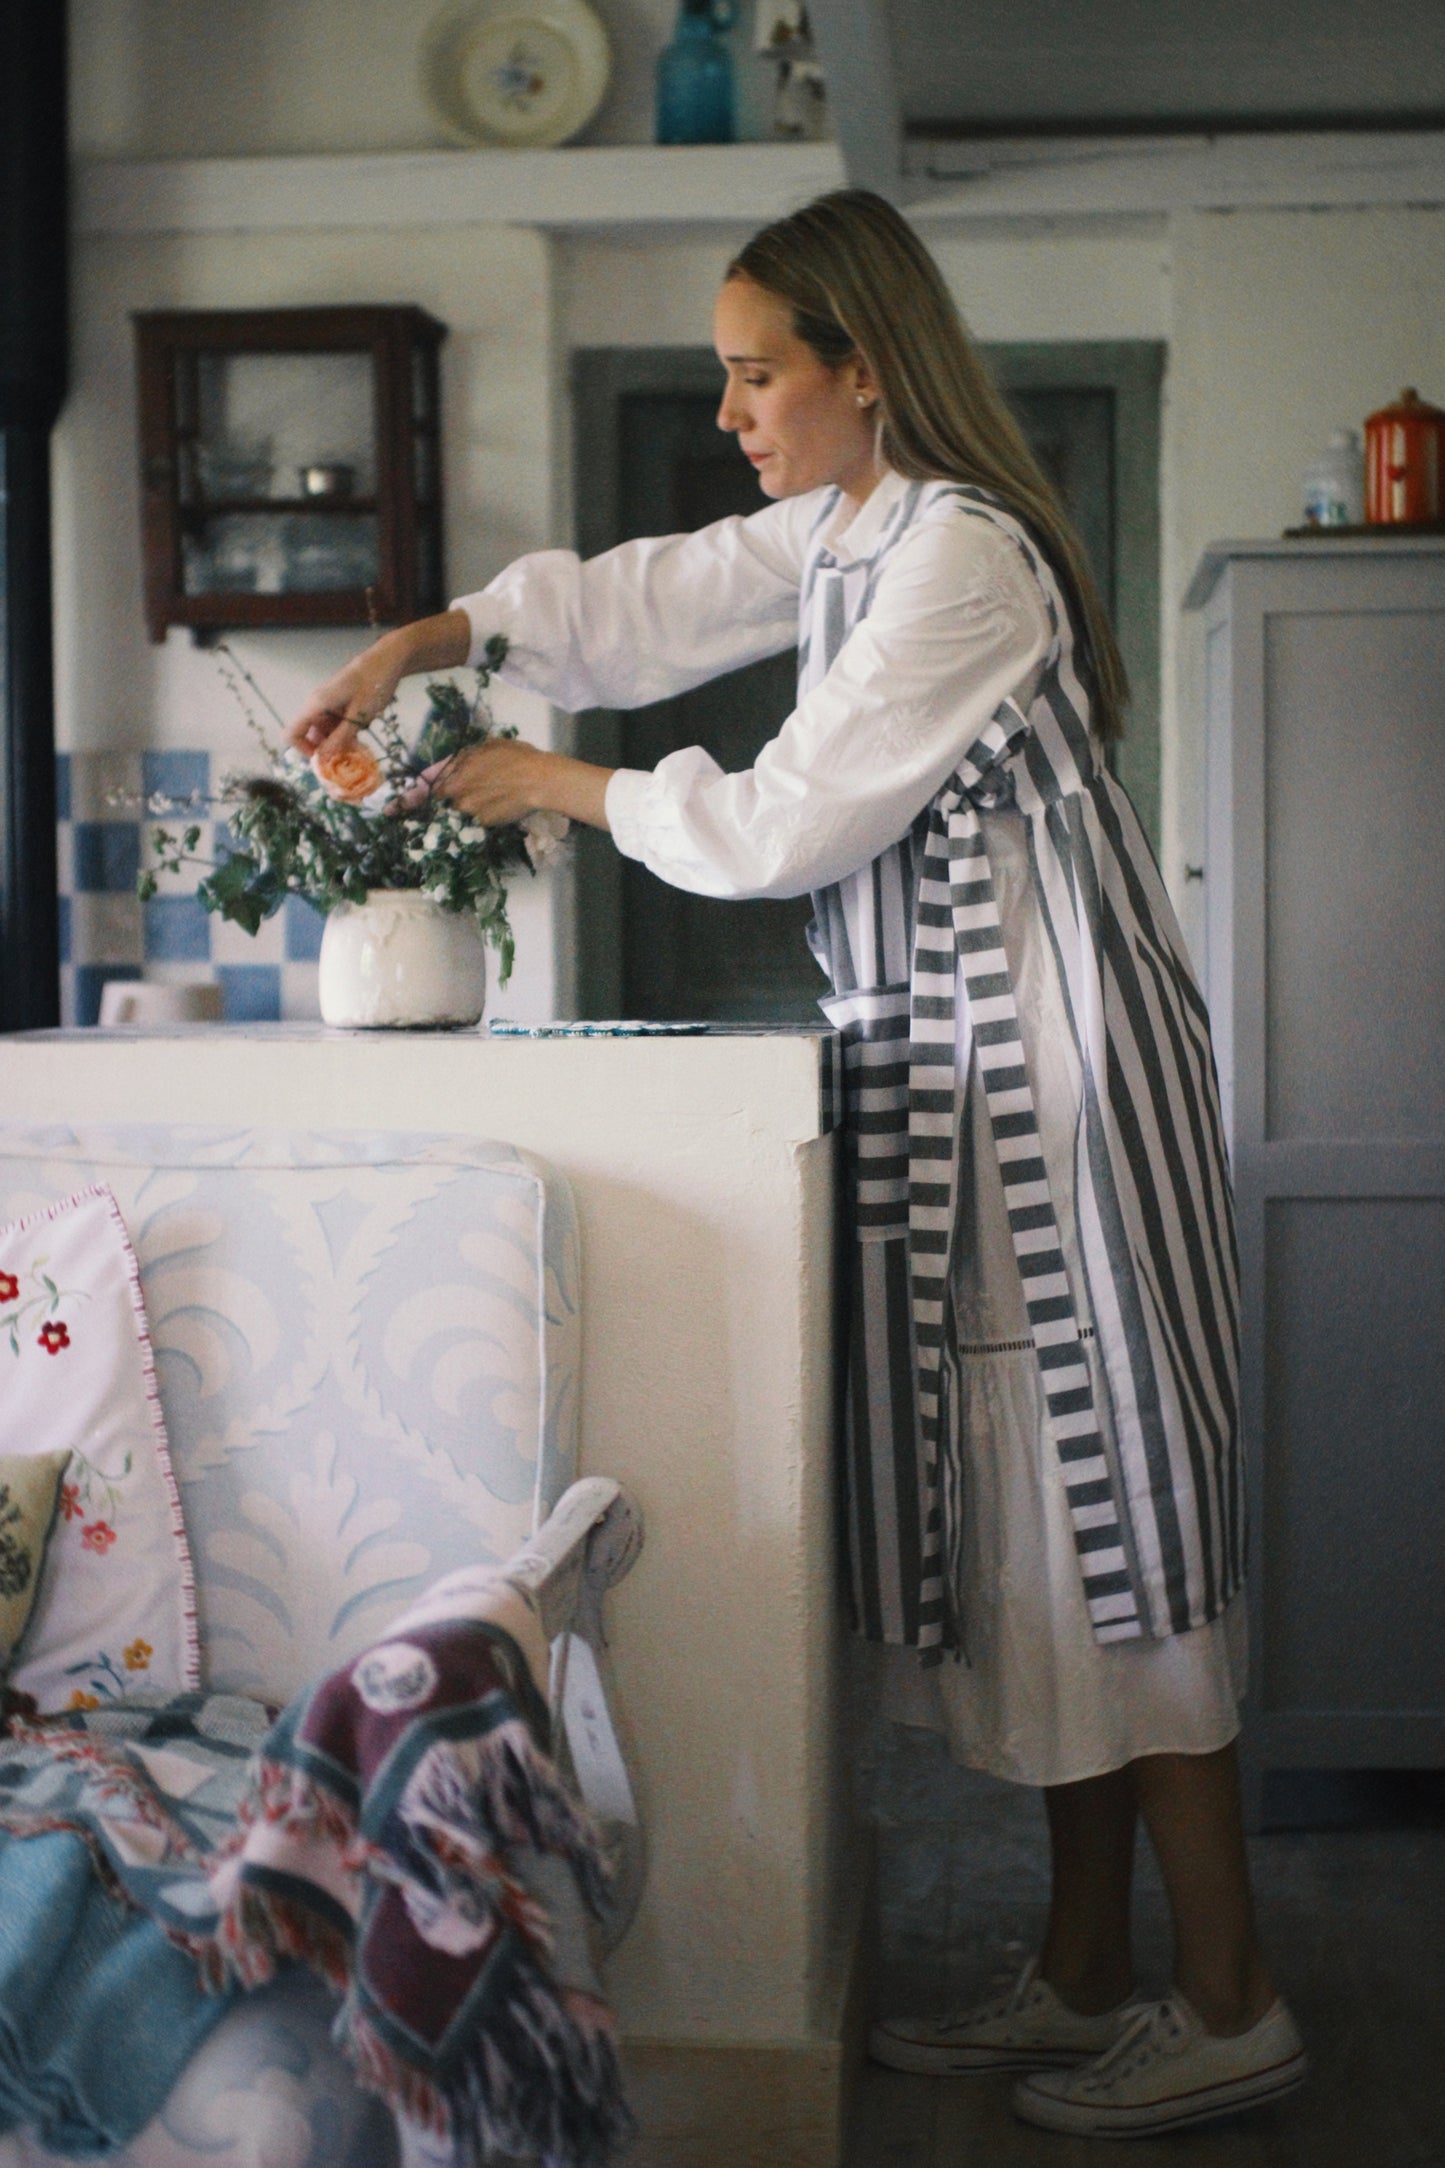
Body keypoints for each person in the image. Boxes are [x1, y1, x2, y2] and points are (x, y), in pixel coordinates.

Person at [290, 189, 1306, 2139]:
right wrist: (434, 635)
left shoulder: (962, 557)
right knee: (1041, 1554)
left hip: (1067, 1099)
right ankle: (1085, 1969)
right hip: (970, 1094)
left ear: (866, 367)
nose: (732, 410)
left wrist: (559, 784)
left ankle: (1233, 1995)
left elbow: (776, 825)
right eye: (725, 374)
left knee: (1122, 1539)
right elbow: (656, 596)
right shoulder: (850, 533)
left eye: (759, 374)